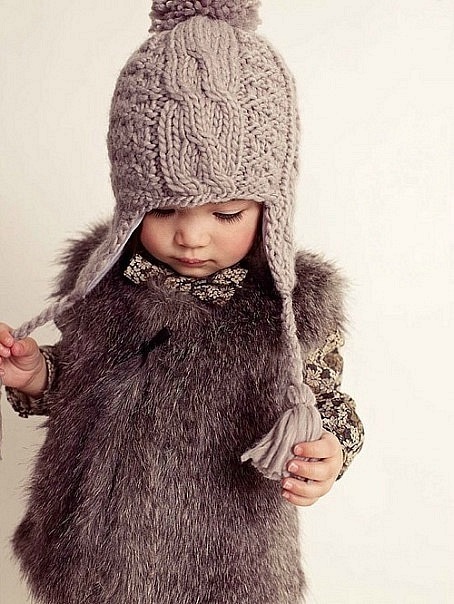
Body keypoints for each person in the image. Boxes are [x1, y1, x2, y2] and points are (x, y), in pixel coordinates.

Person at [0, 1, 364, 603]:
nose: (191, 236)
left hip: (229, 565)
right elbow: (83, 388)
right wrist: (38, 375)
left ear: (269, 209)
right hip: (96, 558)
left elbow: (328, 404)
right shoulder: (105, 289)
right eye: (163, 209)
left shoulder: (289, 315)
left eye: (226, 213)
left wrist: (327, 452)